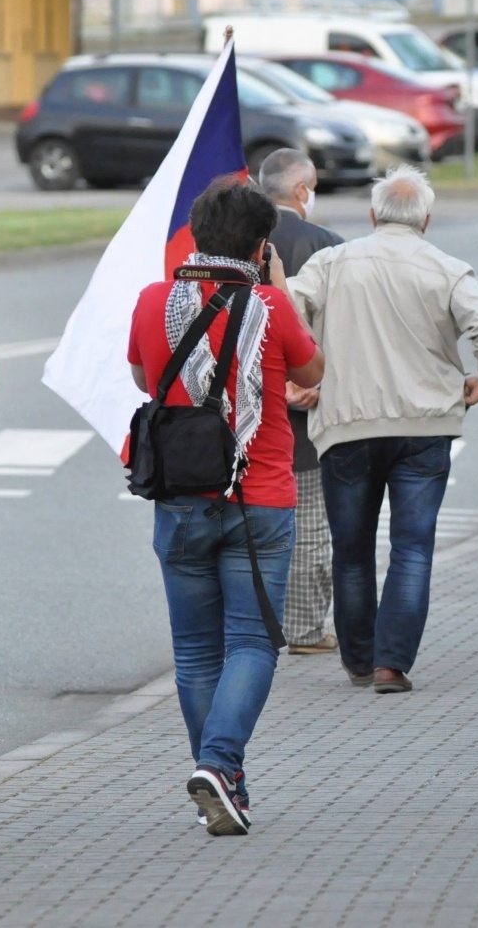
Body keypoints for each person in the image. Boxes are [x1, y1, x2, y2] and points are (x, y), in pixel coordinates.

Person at [127, 176, 324, 835]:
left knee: (194, 652)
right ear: (262, 244)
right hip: (260, 496)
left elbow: (140, 376)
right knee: (253, 643)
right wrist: (277, 283)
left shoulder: (156, 300)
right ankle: (218, 763)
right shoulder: (270, 305)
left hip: (180, 497)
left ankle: (220, 777)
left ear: (195, 237)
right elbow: (312, 373)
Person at [287, 166, 478, 694]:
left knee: (352, 548)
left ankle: (359, 660)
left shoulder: (331, 263)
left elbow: (285, 309)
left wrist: (299, 377)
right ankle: (392, 664)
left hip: (347, 424)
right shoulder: (448, 269)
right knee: (413, 547)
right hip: (426, 427)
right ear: (426, 221)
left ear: (372, 215)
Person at [258, 148, 343, 656]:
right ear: (302, 190)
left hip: (248, 408)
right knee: (310, 524)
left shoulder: (234, 239)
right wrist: (320, 380)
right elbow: (343, 327)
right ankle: (306, 630)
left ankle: (251, 625)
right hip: (309, 408)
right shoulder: (328, 247)